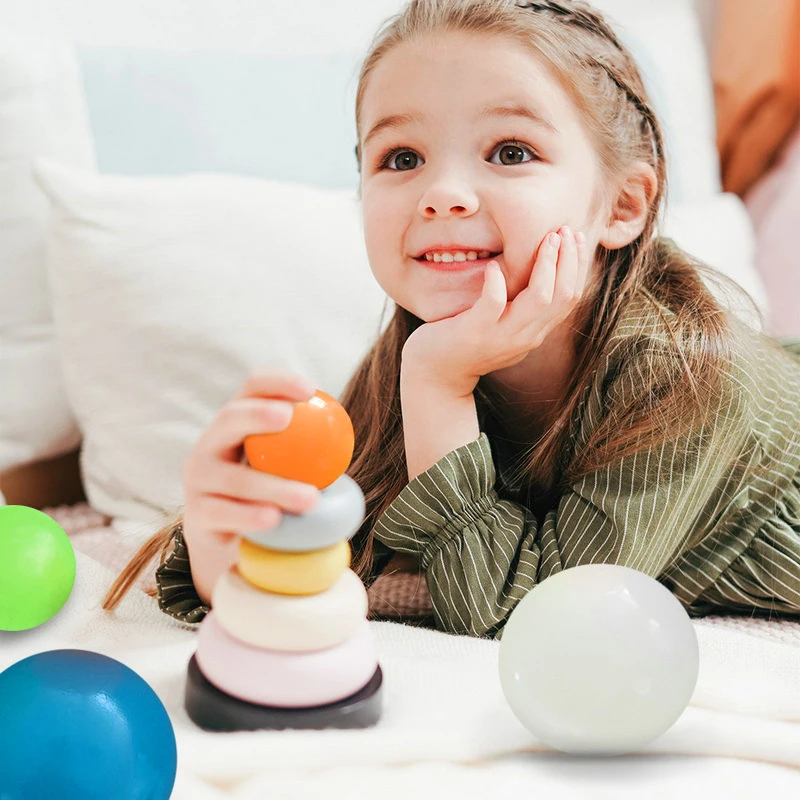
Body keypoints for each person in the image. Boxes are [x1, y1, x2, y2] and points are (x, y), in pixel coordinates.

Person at [102, 0, 800, 638]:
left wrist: (439, 386)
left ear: (621, 205)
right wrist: (232, 555)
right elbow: (349, 549)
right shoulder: (426, 347)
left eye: (511, 152)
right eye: (401, 158)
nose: (442, 194)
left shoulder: (683, 376)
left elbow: (530, 616)